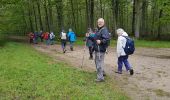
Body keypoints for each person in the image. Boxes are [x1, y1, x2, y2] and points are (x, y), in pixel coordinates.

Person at [92, 18, 110, 82]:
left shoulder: (104, 30)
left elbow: (107, 39)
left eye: (101, 22)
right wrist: (89, 36)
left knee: (98, 63)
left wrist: (101, 41)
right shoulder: (99, 30)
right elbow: (95, 38)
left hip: (100, 49)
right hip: (97, 49)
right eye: (98, 22)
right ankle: (102, 72)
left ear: (103, 23)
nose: (99, 23)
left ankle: (100, 78)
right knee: (98, 62)